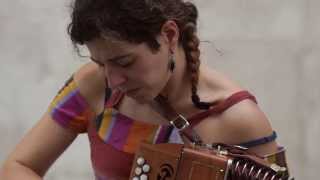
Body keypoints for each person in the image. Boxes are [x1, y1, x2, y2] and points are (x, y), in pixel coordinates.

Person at [0, 0, 290, 179]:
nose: (113, 81)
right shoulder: (94, 85)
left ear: (169, 35)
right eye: (100, 63)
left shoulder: (238, 119)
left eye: (124, 62)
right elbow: (18, 165)